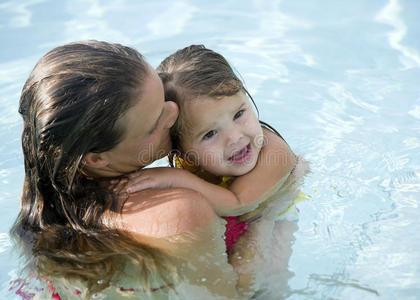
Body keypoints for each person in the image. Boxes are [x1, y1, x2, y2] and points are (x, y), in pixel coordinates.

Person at [10, 40, 303, 299]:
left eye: (162, 98)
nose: (175, 113)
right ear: (96, 159)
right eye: (154, 120)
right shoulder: (178, 211)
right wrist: (269, 218)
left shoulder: (55, 211)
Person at [112, 45, 305, 297]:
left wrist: (172, 178)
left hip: (273, 216)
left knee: (252, 282)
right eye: (210, 134)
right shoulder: (192, 159)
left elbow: (239, 203)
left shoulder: (273, 151)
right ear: (180, 148)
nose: (235, 138)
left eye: (239, 114)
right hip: (244, 215)